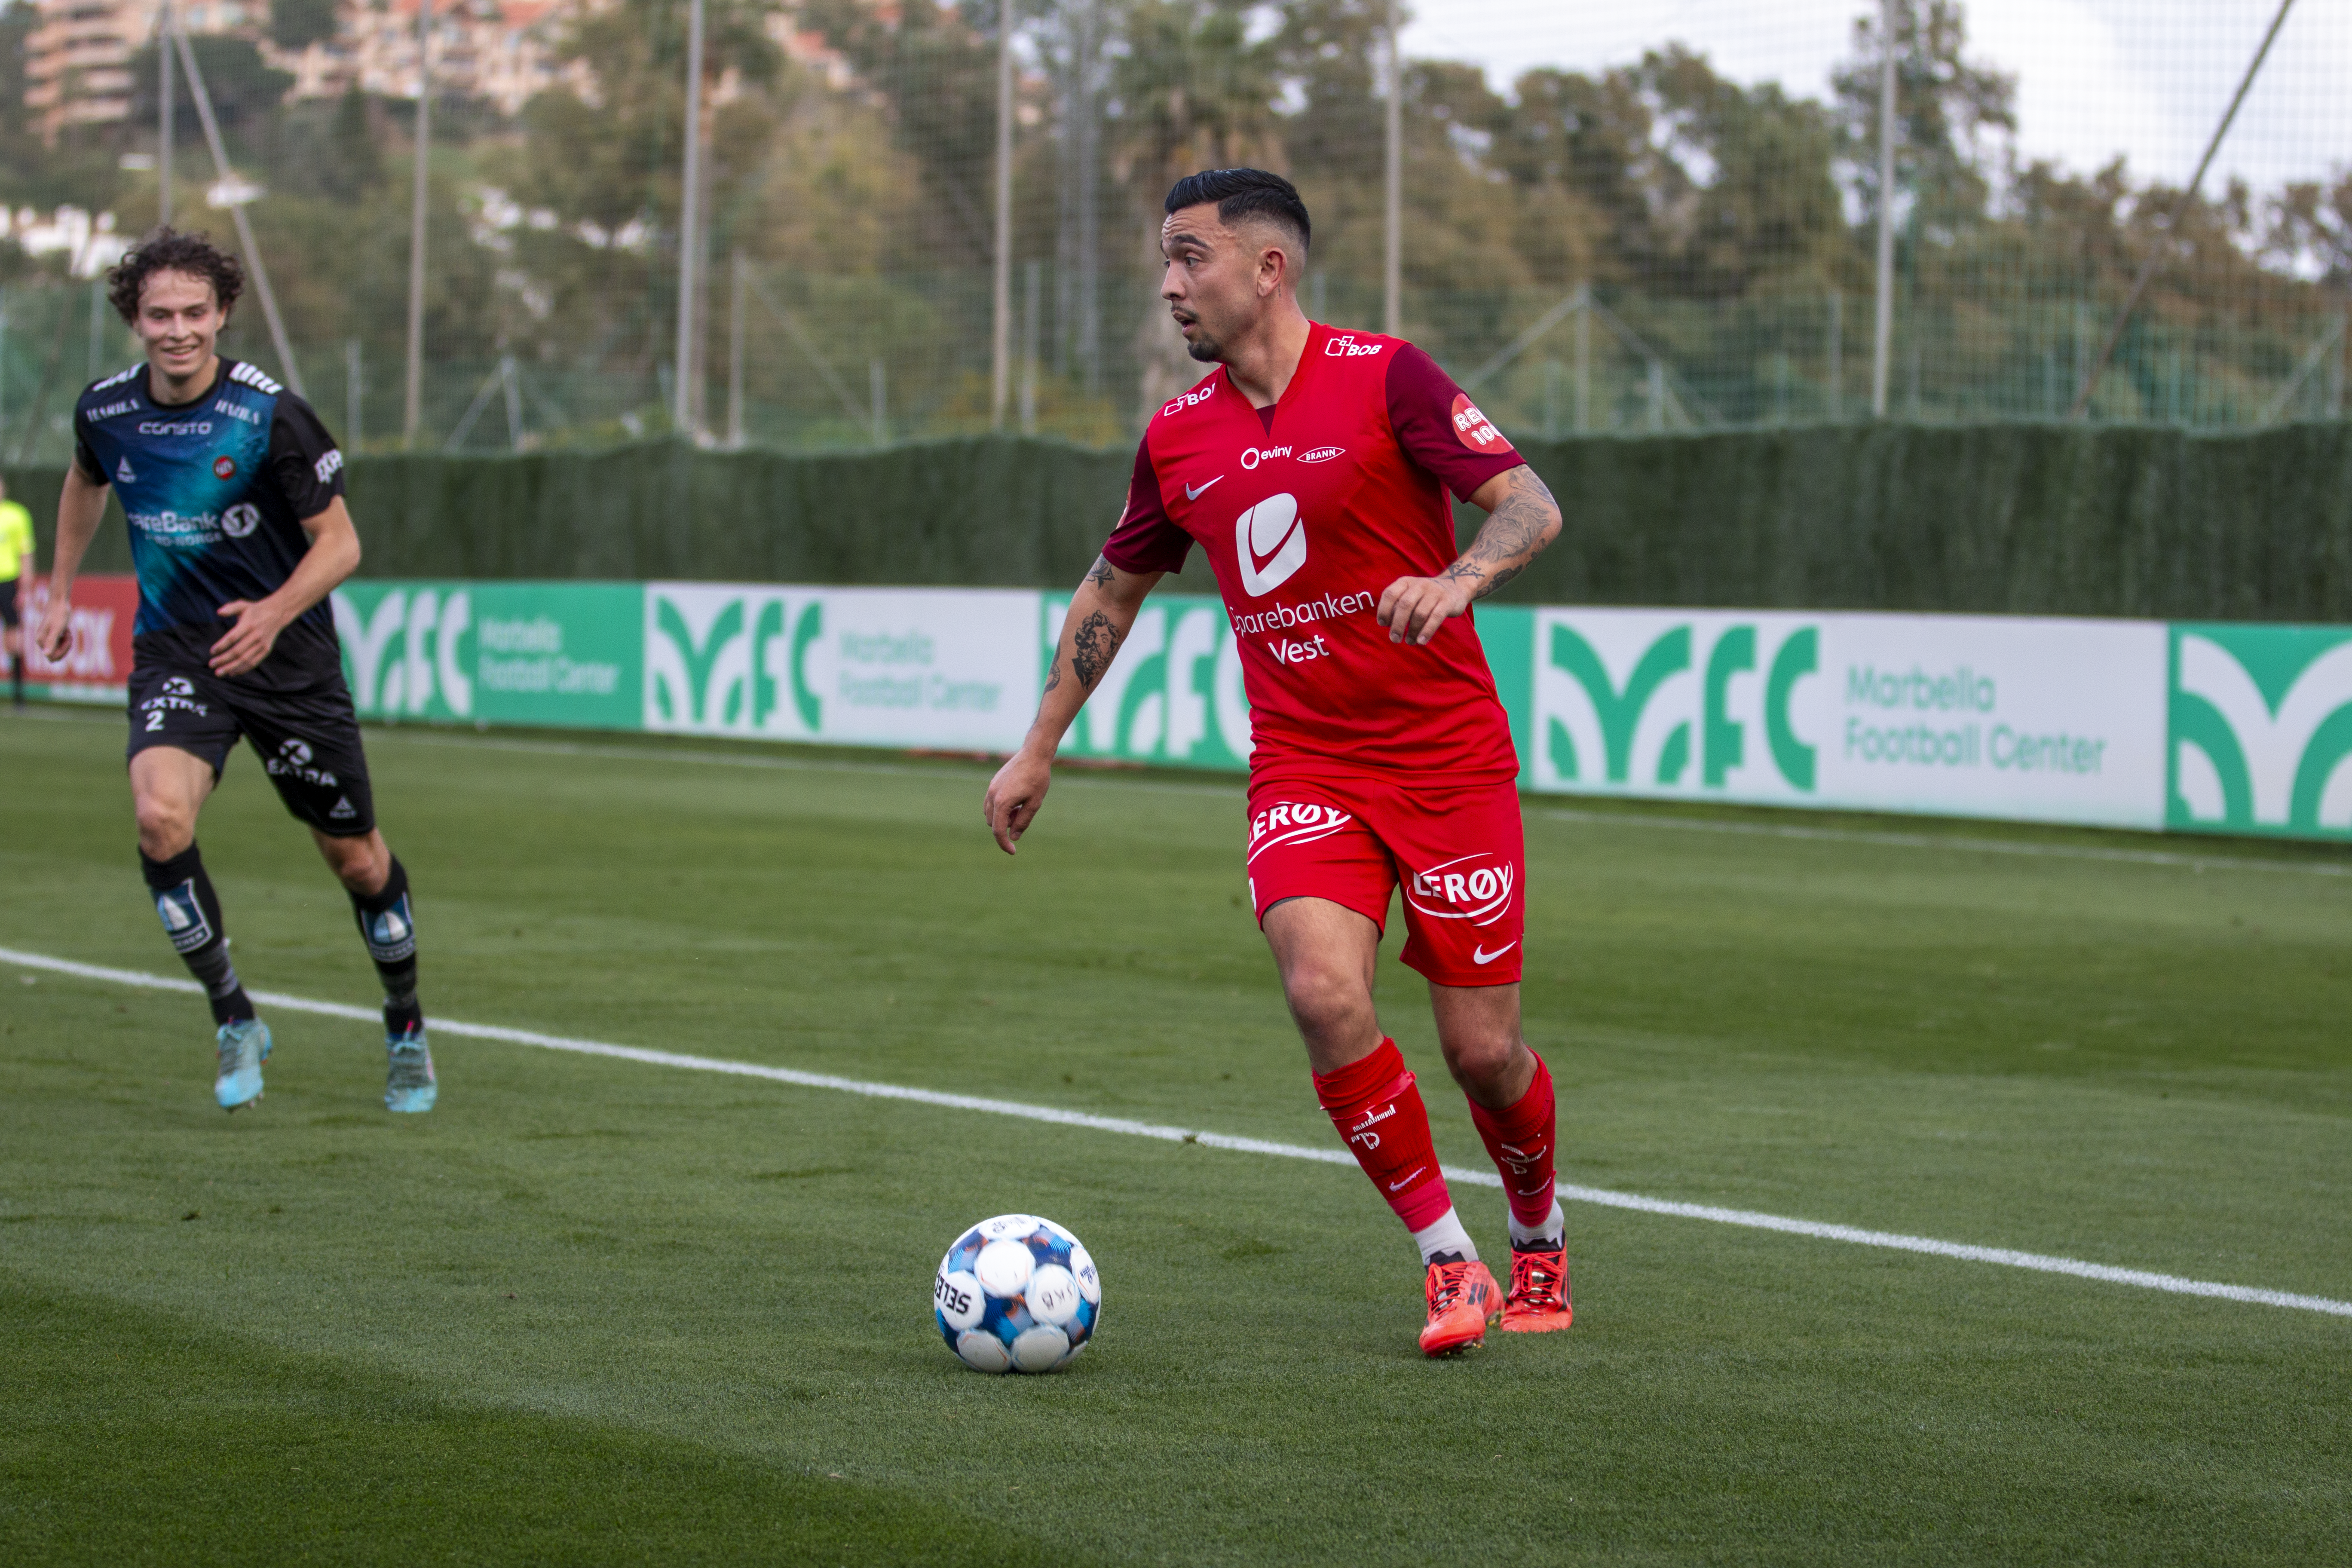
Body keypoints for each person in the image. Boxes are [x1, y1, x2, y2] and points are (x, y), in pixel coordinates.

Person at [984, 169, 1569, 1357]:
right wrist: (1039, 744)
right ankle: (1448, 1263)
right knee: (1320, 991)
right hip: (1305, 765)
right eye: (1163, 258)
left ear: (1269, 267)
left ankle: (1538, 1227)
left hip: (1449, 763)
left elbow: (1528, 504)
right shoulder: (1178, 433)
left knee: (1482, 1050)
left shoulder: (1386, 375)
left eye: (1190, 257)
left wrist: (1459, 576)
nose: (1168, 284)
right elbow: (1116, 587)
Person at [36, 228, 436, 1115]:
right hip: (180, 650)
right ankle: (233, 1014)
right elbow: (83, 481)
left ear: (221, 315)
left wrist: (272, 613)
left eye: (193, 313)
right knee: (157, 818)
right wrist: (59, 592)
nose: (177, 330)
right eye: (158, 315)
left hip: (288, 661)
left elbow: (342, 544)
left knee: (357, 861)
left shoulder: (270, 416)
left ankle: (405, 1023)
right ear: (134, 320)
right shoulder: (105, 410)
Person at [0, 475, 34, 707]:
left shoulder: (17, 515)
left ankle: (18, 696)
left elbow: (26, 553)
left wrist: (25, 588)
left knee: (13, 638)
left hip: (8, 582)